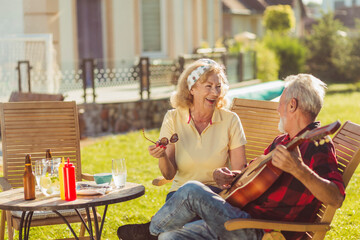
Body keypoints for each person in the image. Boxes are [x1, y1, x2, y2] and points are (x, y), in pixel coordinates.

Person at [148, 73, 345, 240]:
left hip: (262, 230)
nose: (277, 109)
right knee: (169, 237)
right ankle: (156, 233)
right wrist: (231, 176)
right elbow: (252, 174)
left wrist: (298, 169)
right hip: (241, 217)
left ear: (292, 105)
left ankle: (149, 232)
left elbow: (335, 198)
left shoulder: (317, 147)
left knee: (191, 190)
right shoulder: (282, 141)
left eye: (281, 102)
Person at [117, 59, 247, 240]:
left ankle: (150, 231)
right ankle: (156, 232)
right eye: (208, 86)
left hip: (216, 197)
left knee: (169, 233)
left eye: (218, 86)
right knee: (170, 231)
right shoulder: (173, 118)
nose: (215, 92)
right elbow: (169, 174)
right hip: (177, 200)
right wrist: (162, 156)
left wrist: (227, 176)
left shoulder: (230, 120)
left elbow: (241, 171)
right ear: (192, 88)